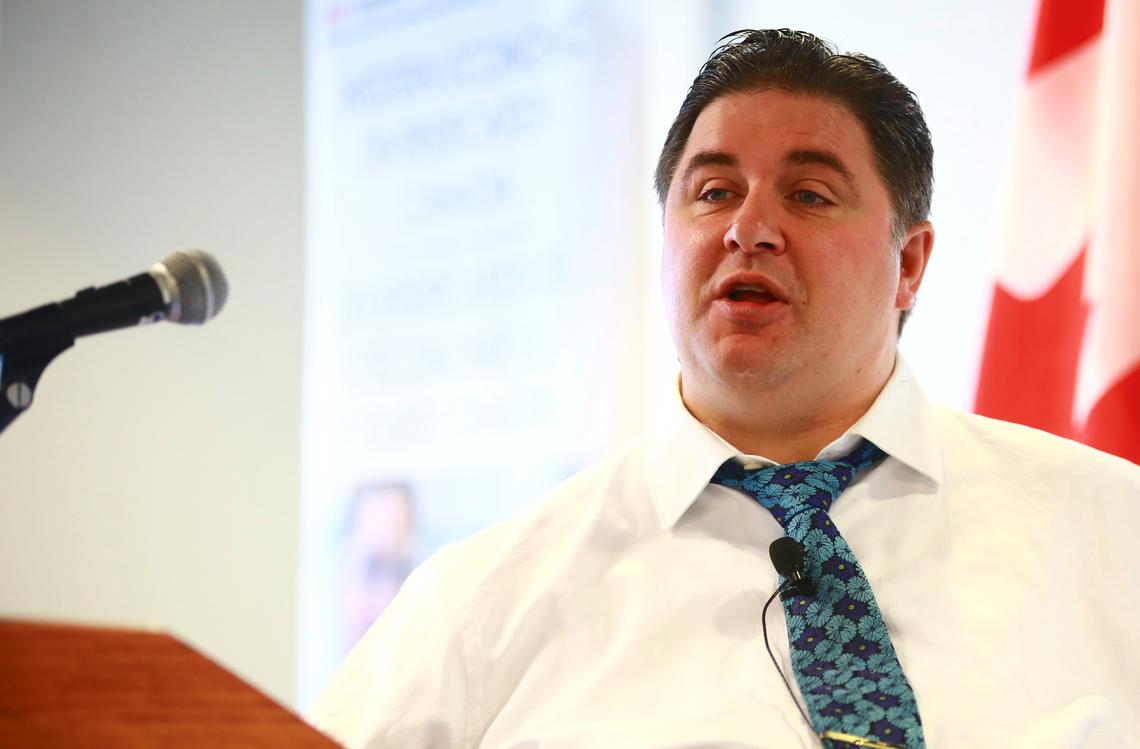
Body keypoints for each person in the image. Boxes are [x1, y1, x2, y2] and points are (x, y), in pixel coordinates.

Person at [308, 29, 1140, 749]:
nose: (749, 227)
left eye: (809, 194)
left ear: (910, 263)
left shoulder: (1112, 531)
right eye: (713, 193)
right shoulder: (482, 603)